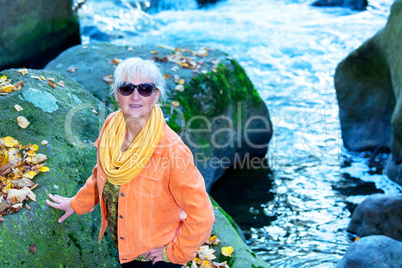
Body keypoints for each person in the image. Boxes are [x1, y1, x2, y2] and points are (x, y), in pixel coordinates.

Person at [46, 57, 215, 267]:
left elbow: (203, 215)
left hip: (153, 259)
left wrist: (174, 254)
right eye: (126, 88)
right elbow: (102, 173)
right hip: (124, 249)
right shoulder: (111, 126)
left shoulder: (172, 150)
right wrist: (76, 204)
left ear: (156, 96)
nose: (135, 96)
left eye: (145, 88)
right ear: (116, 94)